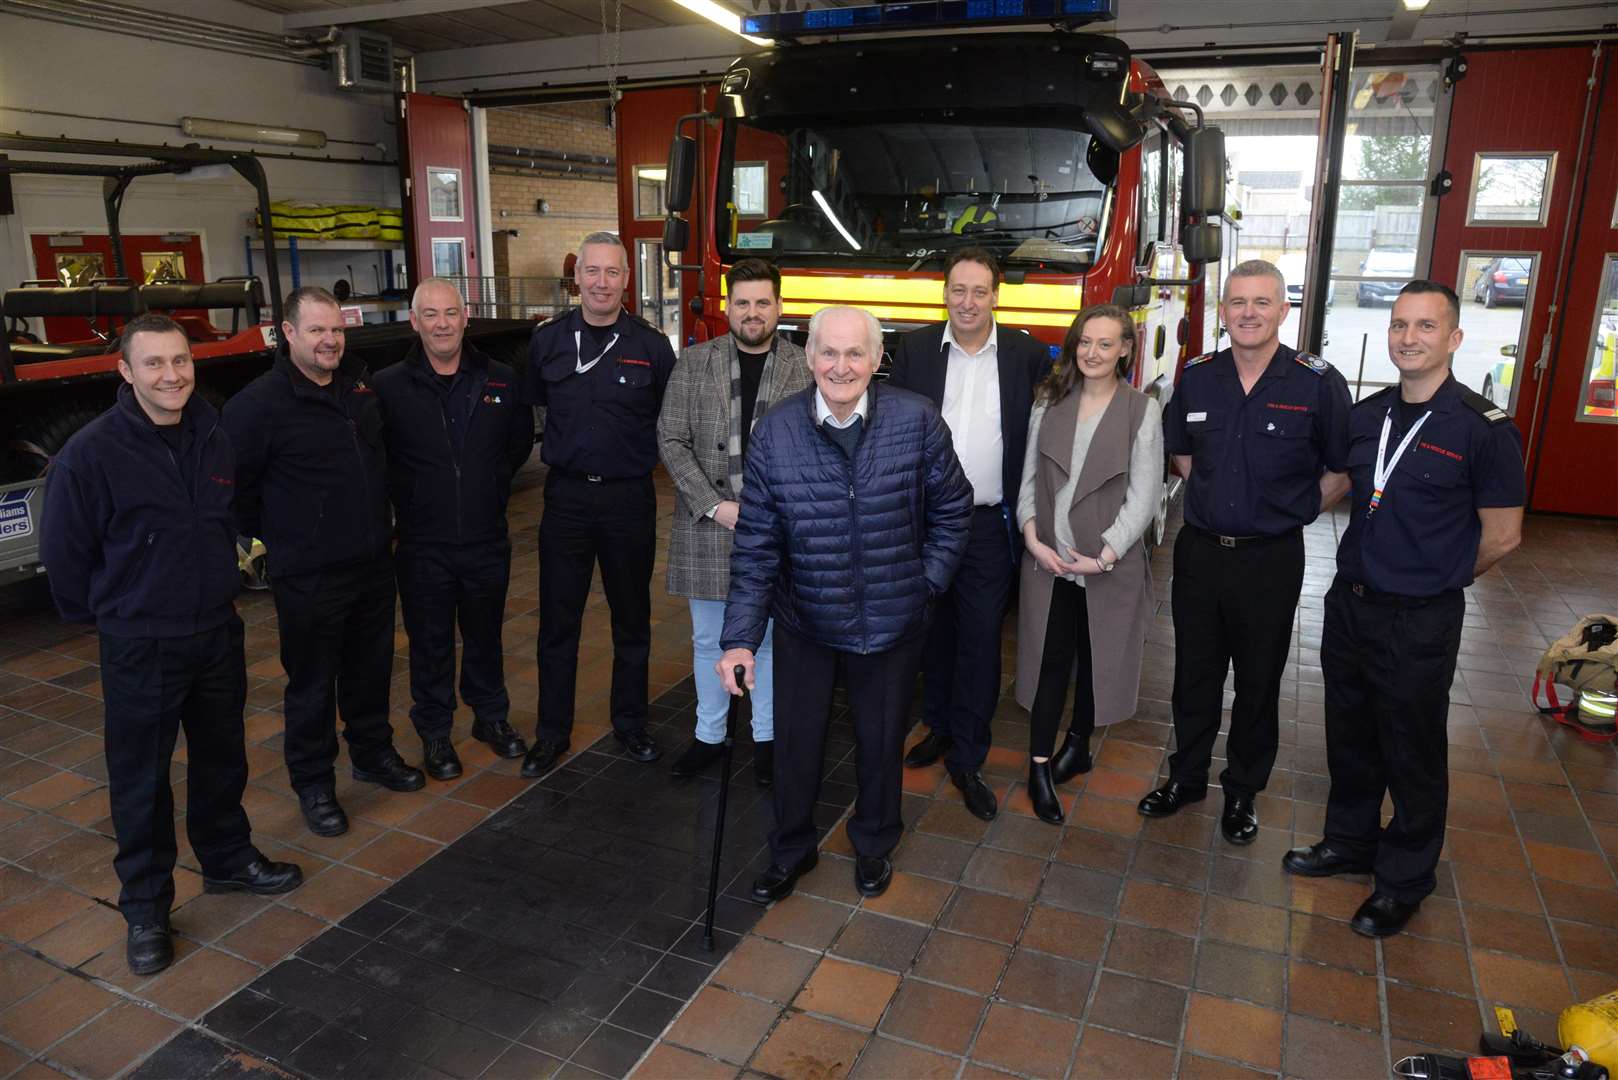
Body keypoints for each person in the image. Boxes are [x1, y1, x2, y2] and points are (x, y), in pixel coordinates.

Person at [41, 314, 302, 976]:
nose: (172, 374)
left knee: (222, 758)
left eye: (180, 361)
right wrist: (118, 613)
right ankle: (147, 908)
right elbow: (66, 559)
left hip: (215, 630)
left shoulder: (212, 432)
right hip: (140, 643)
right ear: (125, 372)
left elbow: (228, 518)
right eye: (153, 363)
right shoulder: (91, 454)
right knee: (140, 782)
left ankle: (227, 859)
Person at [1284, 280, 1523, 938]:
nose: (1408, 338)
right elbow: (1332, 490)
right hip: (1352, 606)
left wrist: (1436, 579)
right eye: (1399, 325)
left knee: (1412, 750)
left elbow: (1503, 535)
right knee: (1350, 735)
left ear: (1453, 338)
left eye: (1424, 326)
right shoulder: (1368, 416)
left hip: (1420, 618)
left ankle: (1405, 878)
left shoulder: (1482, 430)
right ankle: (1349, 843)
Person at [718, 306, 972, 903]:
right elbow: (756, 545)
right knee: (796, 744)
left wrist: (924, 584)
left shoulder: (917, 420)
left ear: (877, 359)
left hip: (891, 621)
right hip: (805, 617)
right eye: (827, 353)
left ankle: (875, 843)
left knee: (881, 743)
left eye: (855, 353)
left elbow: (954, 511)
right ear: (808, 359)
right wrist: (739, 638)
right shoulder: (776, 432)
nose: (840, 365)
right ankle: (791, 849)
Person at [1148, 260, 1351, 845]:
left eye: (1262, 302)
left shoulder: (1316, 382)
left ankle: (1241, 793)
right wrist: (1217, 498)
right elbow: (1181, 453)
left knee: (1259, 681)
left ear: (1283, 310)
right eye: (1237, 302)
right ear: (1223, 311)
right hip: (1202, 554)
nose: (1249, 313)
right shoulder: (1199, 375)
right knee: (1194, 674)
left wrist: (1292, 512)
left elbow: (1340, 469)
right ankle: (1185, 779)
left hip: (1271, 558)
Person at [224, 287, 424, 839]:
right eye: (316, 330)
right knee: (312, 685)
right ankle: (313, 784)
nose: (329, 340)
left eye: (335, 330)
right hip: (308, 576)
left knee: (371, 669)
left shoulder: (360, 387)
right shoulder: (257, 405)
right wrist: (282, 543)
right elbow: (236, 493)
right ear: (286, 334)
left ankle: (372, 754)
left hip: (371, 564)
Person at [888, 248, 1052, 822]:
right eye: (958, 290)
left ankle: (969, 755)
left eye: (979, 291)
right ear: (945, 294)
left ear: (996, 296)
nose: (967, 302)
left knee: (982, 638)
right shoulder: (913, 350)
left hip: (987, 522)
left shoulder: (1028, 355)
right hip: (924, 519)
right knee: (932, 631)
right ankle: (937, 726)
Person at [520, 232, 678, 776]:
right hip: (564, 499)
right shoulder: (546, 343)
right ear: (577, 277)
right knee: (557, 623)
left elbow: (668, 421)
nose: (602, 282)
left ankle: (631, 725)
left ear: (627, 279)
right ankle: (550, 733)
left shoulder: (653, 347)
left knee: (632, 618)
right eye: (592, 271)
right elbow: (534, 407)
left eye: (613, 272)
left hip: (628, 500)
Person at [372, 277, 535, 780]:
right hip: (423, 545)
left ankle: (490, 718)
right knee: (430, 642)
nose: (441, 324)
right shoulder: (388, 387)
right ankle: (436, 732)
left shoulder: (502, 379)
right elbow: (382, 459)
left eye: (450, 313)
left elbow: (517, 445)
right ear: (415, 322)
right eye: (430, 314)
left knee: (486, 636)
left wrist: (484, 488)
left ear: (466, 318)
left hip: (487, 538)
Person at [657, 259, 811, 785]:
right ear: (727, 307)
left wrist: (773, 513)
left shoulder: (804, 366)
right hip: (708, 524)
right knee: (708, 640)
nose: (752, 313)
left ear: (779, 307)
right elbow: (671, 440)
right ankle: (709, 736)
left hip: (776, 530)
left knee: (767, 641)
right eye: (742, 302)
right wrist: (715, 505)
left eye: (763, 302)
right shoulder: (693, 363)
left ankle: (766, 742)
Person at [1014, 305, 1163, 824]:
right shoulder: (1048, 401)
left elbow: (1144, 495)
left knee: (1097, 660)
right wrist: (1032, 536)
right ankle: (1038, 768)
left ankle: (1078, 745)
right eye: (1085, 342)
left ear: (1125, 349)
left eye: (1106, 343)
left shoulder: (1141, 411)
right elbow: (1029, 480)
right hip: (1049, 562)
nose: (1092, 353)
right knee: (1049, 662)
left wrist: (1103, 557)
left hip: (1105, 565)